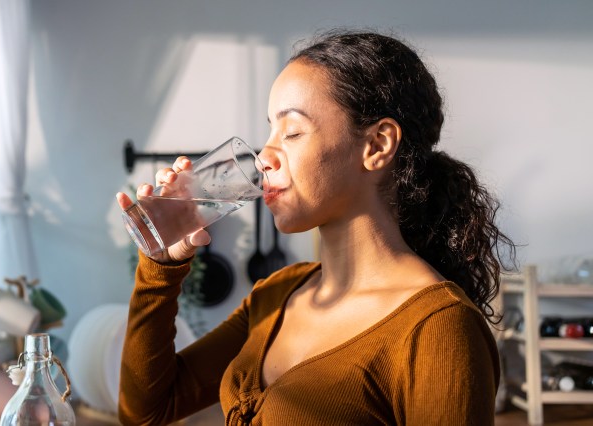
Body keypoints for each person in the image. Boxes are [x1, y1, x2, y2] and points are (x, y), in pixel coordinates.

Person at [115, 29, 516, 425]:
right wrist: (160, 267)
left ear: (377, 146)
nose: (262, 158)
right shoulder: (276, 294)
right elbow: (146, 410)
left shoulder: (438, 329)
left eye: (291, 131)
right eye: (269, 130)